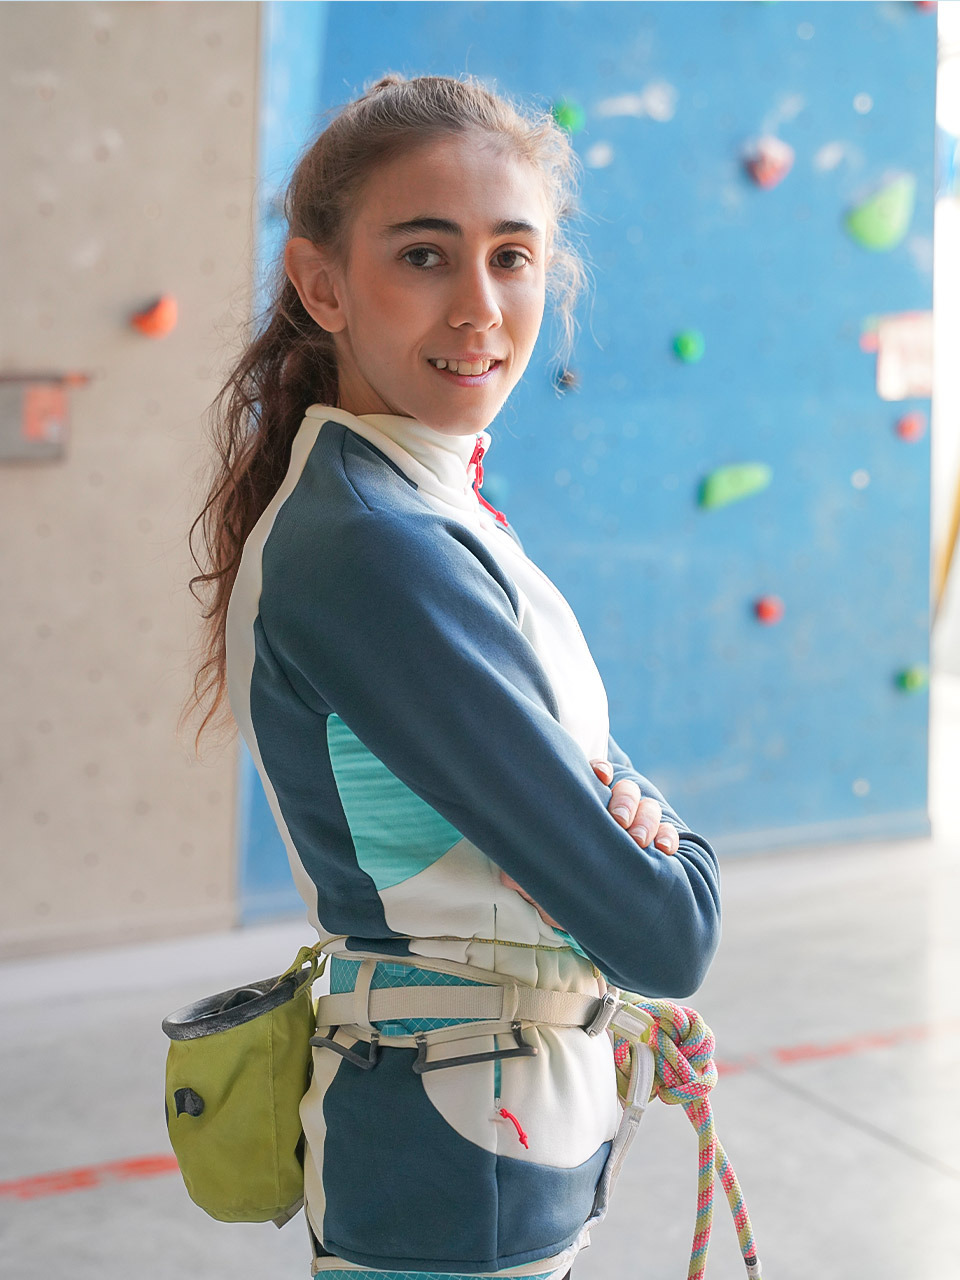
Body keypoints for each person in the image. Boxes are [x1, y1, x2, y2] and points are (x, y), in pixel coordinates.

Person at [184, 71, 721, 1280]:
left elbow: (601, 809)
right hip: (456, 1162)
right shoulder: (374, 548)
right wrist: (666, 844)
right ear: (321, 282)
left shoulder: (422, 502)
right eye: (425, 255)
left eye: (511, 256)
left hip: (486, 1138)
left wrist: (622, 815)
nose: (480, 307)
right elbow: (665, 926)